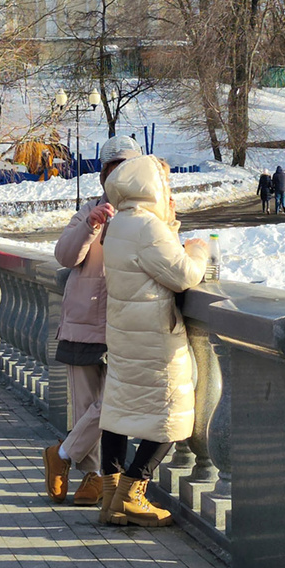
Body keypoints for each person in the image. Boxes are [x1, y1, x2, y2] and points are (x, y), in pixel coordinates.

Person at [97, 155, 208, 527]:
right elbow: (183, 275)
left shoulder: (121, 223)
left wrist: (168, 222)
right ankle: (133, 493)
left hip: (125, 334)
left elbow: (151, 259)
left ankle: (111, 497)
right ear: (151, 185)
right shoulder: (147, 227)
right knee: (173, 411)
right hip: (154, 338)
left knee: (119, 410)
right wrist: (198, 250)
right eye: (165, 182)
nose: (168, 188)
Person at [43, 136, 143, 508]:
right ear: (103, 176)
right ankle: (94, 476)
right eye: (112, 171)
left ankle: (61, 455)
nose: (118, 178)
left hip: (126, 324)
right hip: (84, 322)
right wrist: (90, 224)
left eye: (126, 170)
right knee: (87, 405)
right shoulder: (89, 211)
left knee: (112, 404)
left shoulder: (146, 215)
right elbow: (65, 256)